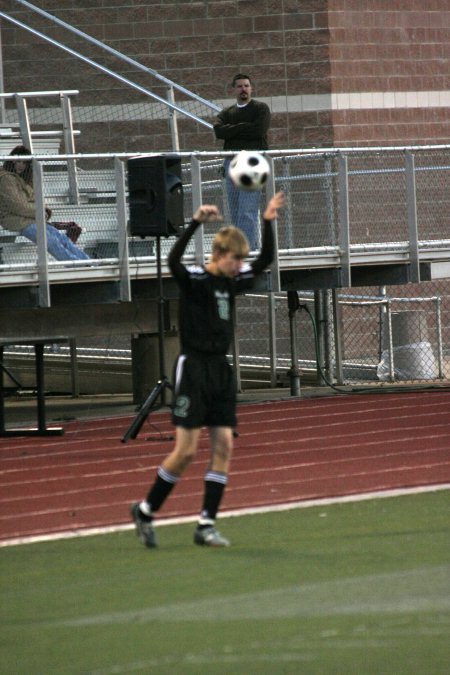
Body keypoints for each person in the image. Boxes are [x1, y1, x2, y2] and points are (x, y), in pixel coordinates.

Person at [131, 190, 285, 548]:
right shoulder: (196, 281)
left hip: (220, 370)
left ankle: (206, 525)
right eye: (234, 260)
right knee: (185, 452)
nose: (239, 266)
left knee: (224, 446)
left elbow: (264, 261)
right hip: (194, 368)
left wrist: (268, 220)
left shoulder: (230, 282)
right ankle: (146, 509)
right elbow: (172, 262)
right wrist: (195, 223)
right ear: (219, 255)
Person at [0, 145, 90, 261]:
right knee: (52, 242)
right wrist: (40, 212)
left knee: (62, 239)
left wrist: (43, 210)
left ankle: (89, 262)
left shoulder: (23, 178)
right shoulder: (6, 179)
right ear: (12, 160)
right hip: (16, 219)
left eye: (24, 162)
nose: (21, 165)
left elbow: (37, 199)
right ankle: (78, 265)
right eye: (18, 161)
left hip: (31, 218)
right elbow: (18, 206)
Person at [214, 73, 271, 250]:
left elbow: (259, 131)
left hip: (252, 163)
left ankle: (247, 251)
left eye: (246, 85)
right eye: (239, 86)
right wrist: (245, 127)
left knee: (247, 211)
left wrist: (233, 131)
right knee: (235, 211)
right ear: (234, 89)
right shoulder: (227, 112)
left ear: (251, 88)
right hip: (231, 163)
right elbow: (219, 131)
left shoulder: (261, 109)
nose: (243, 89)